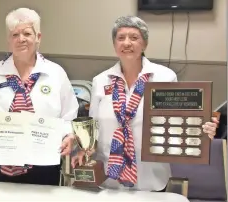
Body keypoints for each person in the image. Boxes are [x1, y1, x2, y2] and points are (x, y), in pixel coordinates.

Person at [71, 16, 219, 192]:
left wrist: (201, 130)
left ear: (145, 44)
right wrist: (84, 150)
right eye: (121, 38)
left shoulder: (165, 77)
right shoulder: (101, 81)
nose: (127, 43)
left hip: (151, 176)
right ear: (114, 44)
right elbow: (93, 126)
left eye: (134, 38)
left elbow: (178, 122)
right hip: (108, 178)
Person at [0, 7, 78, 186]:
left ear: (38, 38)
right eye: (14, 34)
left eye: (27, 33)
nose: (21, 39)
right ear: (8, 41)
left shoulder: (56, 74)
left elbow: (68, 117)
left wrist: (68, 136)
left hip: (44, 163)